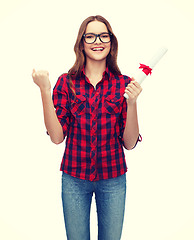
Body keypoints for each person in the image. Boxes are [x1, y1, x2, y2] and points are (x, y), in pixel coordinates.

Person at [32, 15, 142, 240]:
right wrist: (44, 90)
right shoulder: (66, 82)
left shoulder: (124, 83)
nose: (97, 41)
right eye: (90, 36)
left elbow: (129, 143)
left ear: (111, 42)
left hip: (113, 178)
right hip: (74, 179)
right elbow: (56, 137)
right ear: (81, 43)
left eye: (103, 35)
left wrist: (132, 104)